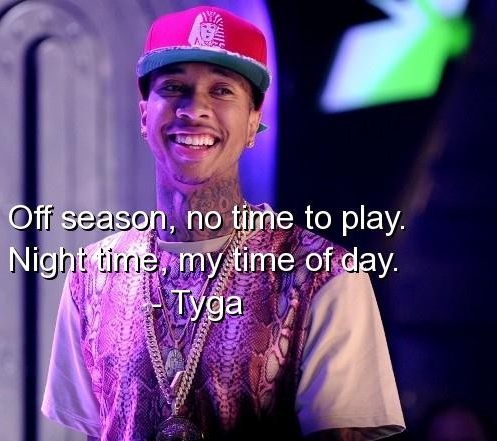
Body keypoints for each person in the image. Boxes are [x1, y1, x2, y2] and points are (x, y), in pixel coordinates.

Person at [41, 5, 406, 440]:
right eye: (174, 87)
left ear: (253, 123)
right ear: (144, 117)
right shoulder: (93, 274)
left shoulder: (324, 276)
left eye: (221, 90)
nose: (194, 108)